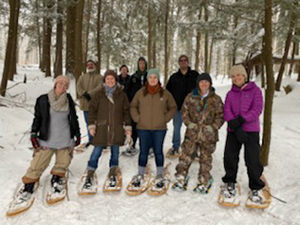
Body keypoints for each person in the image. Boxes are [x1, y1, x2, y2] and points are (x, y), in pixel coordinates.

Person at [21, 75, 80, 200]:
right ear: (55, 84)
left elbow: (74, 118)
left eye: (65, 85)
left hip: (65, 138)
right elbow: (37, 118)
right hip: (47, 138)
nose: (63, 87)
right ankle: (29, 183)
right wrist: (33, 134)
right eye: (60, 84)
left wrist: (77, 133)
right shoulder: (43, 99)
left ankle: (57, 178)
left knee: (62, 162)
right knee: (38, 162)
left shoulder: (68, 100)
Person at [220, 64, 266, 204]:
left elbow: (257, 109)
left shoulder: (255, 91)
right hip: (234, 130)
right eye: (233, 76)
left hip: (251, 130)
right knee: (230, 156)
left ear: (244, 76)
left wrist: (242, 119)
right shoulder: (230, 93)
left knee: (252, 159)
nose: (236, 78)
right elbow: (226, 109)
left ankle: (255, 186)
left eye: (238, 75)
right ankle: (229, 181)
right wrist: (234, 123)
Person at [173, 73, 224, 193]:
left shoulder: (215, 99)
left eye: (206, 82)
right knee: (186, 155)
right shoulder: (191, 97)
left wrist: (214, 126)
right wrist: (188, 123)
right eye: (202, 82)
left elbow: (220, 115)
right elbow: (184, 111)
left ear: (210, 84)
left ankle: (204, 178)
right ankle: (181, 175)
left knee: (205, 158)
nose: (204, 84)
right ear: (198, 83)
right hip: (192, 133)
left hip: (208, 135)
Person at [83, 70, 132, 188]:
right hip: (102, 127)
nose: (110, 81)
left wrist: (128, 128)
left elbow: (126, 112)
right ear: (104, 80)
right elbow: (92, 111)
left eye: (112, 79)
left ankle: (113, 171)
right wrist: (92, 126)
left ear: (116, 80)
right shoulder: (99, 94)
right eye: (108, 79)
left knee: (115, 152)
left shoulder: (121, 95)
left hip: (117, 128)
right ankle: (90, 171)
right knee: (96, 151)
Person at [129, 68, 177, 188]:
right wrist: (137, 118)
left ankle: (159, 174)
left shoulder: (165, 93)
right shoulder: (141, 93)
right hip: (143, 127)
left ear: (158, 79)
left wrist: (165, 119)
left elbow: (173, 107)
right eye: (150, 77)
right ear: (147, 79)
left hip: (159, 129)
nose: (152, 79)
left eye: (155, 77)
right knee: (143, 151)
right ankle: (140, 173)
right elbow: (133, 106)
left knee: (158, 151)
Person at [166, 55, 199, 157]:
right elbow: (168, 92)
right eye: (181, 60)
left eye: (185, 60)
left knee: (193, 129)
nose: (183, 62)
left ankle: (193, 150)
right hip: (178, 108)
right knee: (176, 128)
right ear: (179, 63)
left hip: (192, 109)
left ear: (188, 62)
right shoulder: (174, 77)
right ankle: (175, 148)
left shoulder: (195, 75)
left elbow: (203, 87)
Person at [123, 57, 148, 156]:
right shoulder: (133, 77)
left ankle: (147, 146)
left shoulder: (149, 76)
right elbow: (126, 91)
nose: (142, 65)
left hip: (147, 106)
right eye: (140, 63)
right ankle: (132, 145)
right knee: (134, 125)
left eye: (143, 63)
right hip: (135, 106)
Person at [77, 60, 103, 148]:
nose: (90, 66)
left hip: (96, 105)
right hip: (85, 105)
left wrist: (90, 94)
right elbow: (78, 87)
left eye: (92, 64)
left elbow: (100, 87)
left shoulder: (100, 77)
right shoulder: (82, 77)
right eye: (88, 65)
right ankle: (91, 140)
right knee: (89, 123)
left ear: (95, 65)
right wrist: (84, 93)